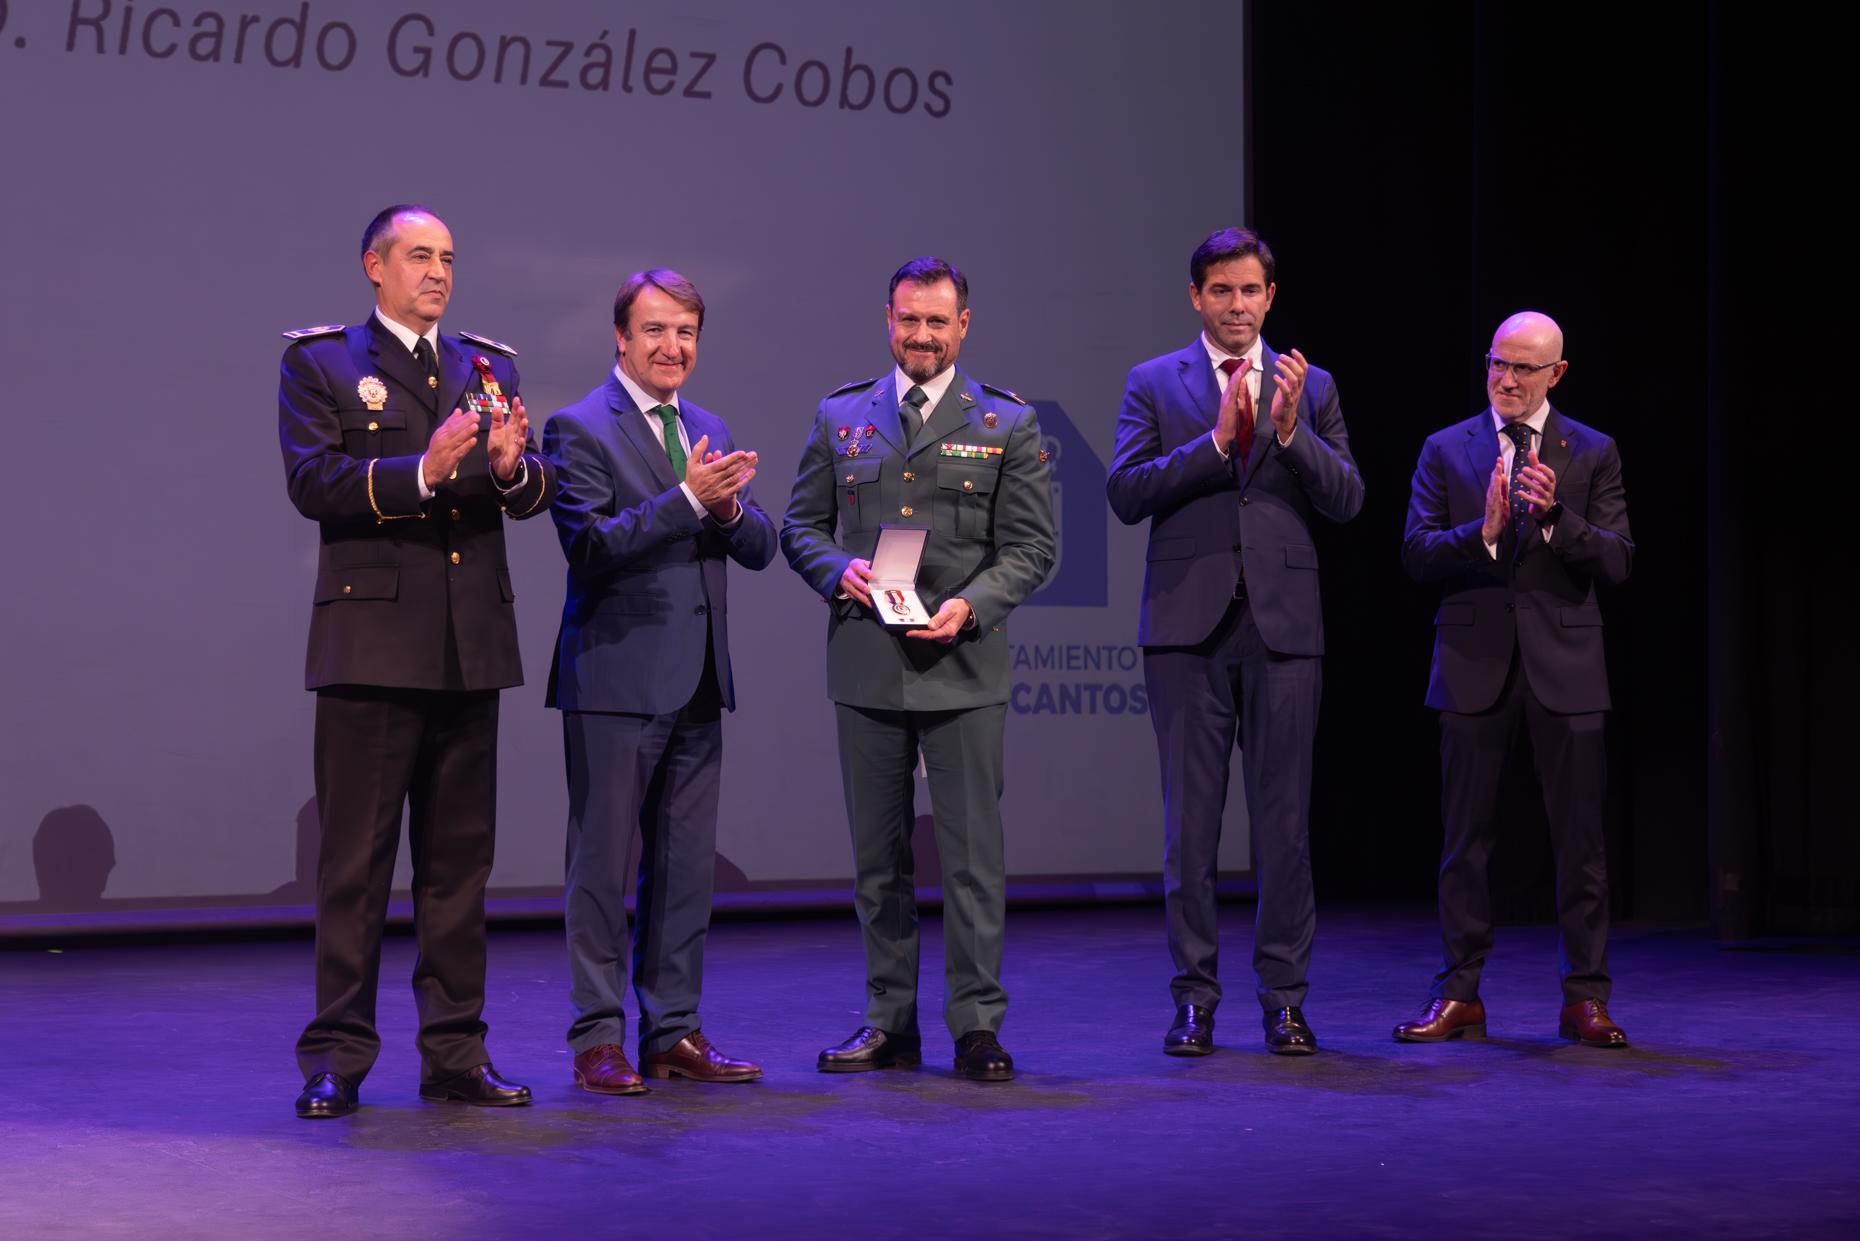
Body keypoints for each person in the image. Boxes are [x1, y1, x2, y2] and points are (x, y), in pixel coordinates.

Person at [279, 204, 556, 1118]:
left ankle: (455, 1055)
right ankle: (337, 1057)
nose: (438, 273)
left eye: (448, 258)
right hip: (371, 647)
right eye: (420, 257)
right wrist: (422, 475)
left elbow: (529, 487)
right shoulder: (322, 362)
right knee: (354, 867)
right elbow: (312, 482)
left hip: (471, 644)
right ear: (375, 265)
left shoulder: (490, 365)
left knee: (458, 867)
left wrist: (513, 468)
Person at [781, 257, 1055, 1082]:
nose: (923, 335)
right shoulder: (841, 416)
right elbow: (801, 527)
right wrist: (838, 571)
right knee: (879, 860)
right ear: (888, 320)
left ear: (963, 325)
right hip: (867, 663)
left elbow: (1033, 548)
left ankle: (976, 1024)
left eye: (939, 321)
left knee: (972, 859)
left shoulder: (1007, 422)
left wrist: (970, 606)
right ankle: (888, 1021)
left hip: (963, 664)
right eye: (910, 320)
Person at [1107, 227, 1364, 1058]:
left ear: (1270, 297)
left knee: (1285, 827)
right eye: (1222, 291)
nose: (1237, 305)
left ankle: (1284, 1000)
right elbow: (1125, 490)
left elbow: (1349, 498)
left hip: (1285, 629)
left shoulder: (1311, 384)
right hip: (1188, 627)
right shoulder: (1155, 382)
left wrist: (1291, 432)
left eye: (1251, 291)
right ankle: (1194, 999)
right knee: (1192, 830)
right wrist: (1217, 443)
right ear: (1196, 297)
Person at [541, 270, 777, 1092]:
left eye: (685, 332)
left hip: (701, 680)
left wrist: (727, 511)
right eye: (654, 331)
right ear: (620, 338)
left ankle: (673, 1029)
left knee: (684, 870)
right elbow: (591, 547)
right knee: (603, 866)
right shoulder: (576, 427)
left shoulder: (706, 425)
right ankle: (597, 1037)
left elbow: (758, 547)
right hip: (614, 679)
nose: (671, 347)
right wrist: (687, 497)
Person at [1395, 311, 1633, 1048]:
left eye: (1524, 367)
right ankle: (1459, 993)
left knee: (1581, 842)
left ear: (1556, 374)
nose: (1506, 378)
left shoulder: (1590, 450)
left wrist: (1557, 517)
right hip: (1472, 666)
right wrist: (1487, 531)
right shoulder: (1447, 448)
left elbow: (1620, 560)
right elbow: (1416, 553)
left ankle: (1584, 998)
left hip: (1567, 667)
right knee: (1465, 840)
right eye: (1498, 363)